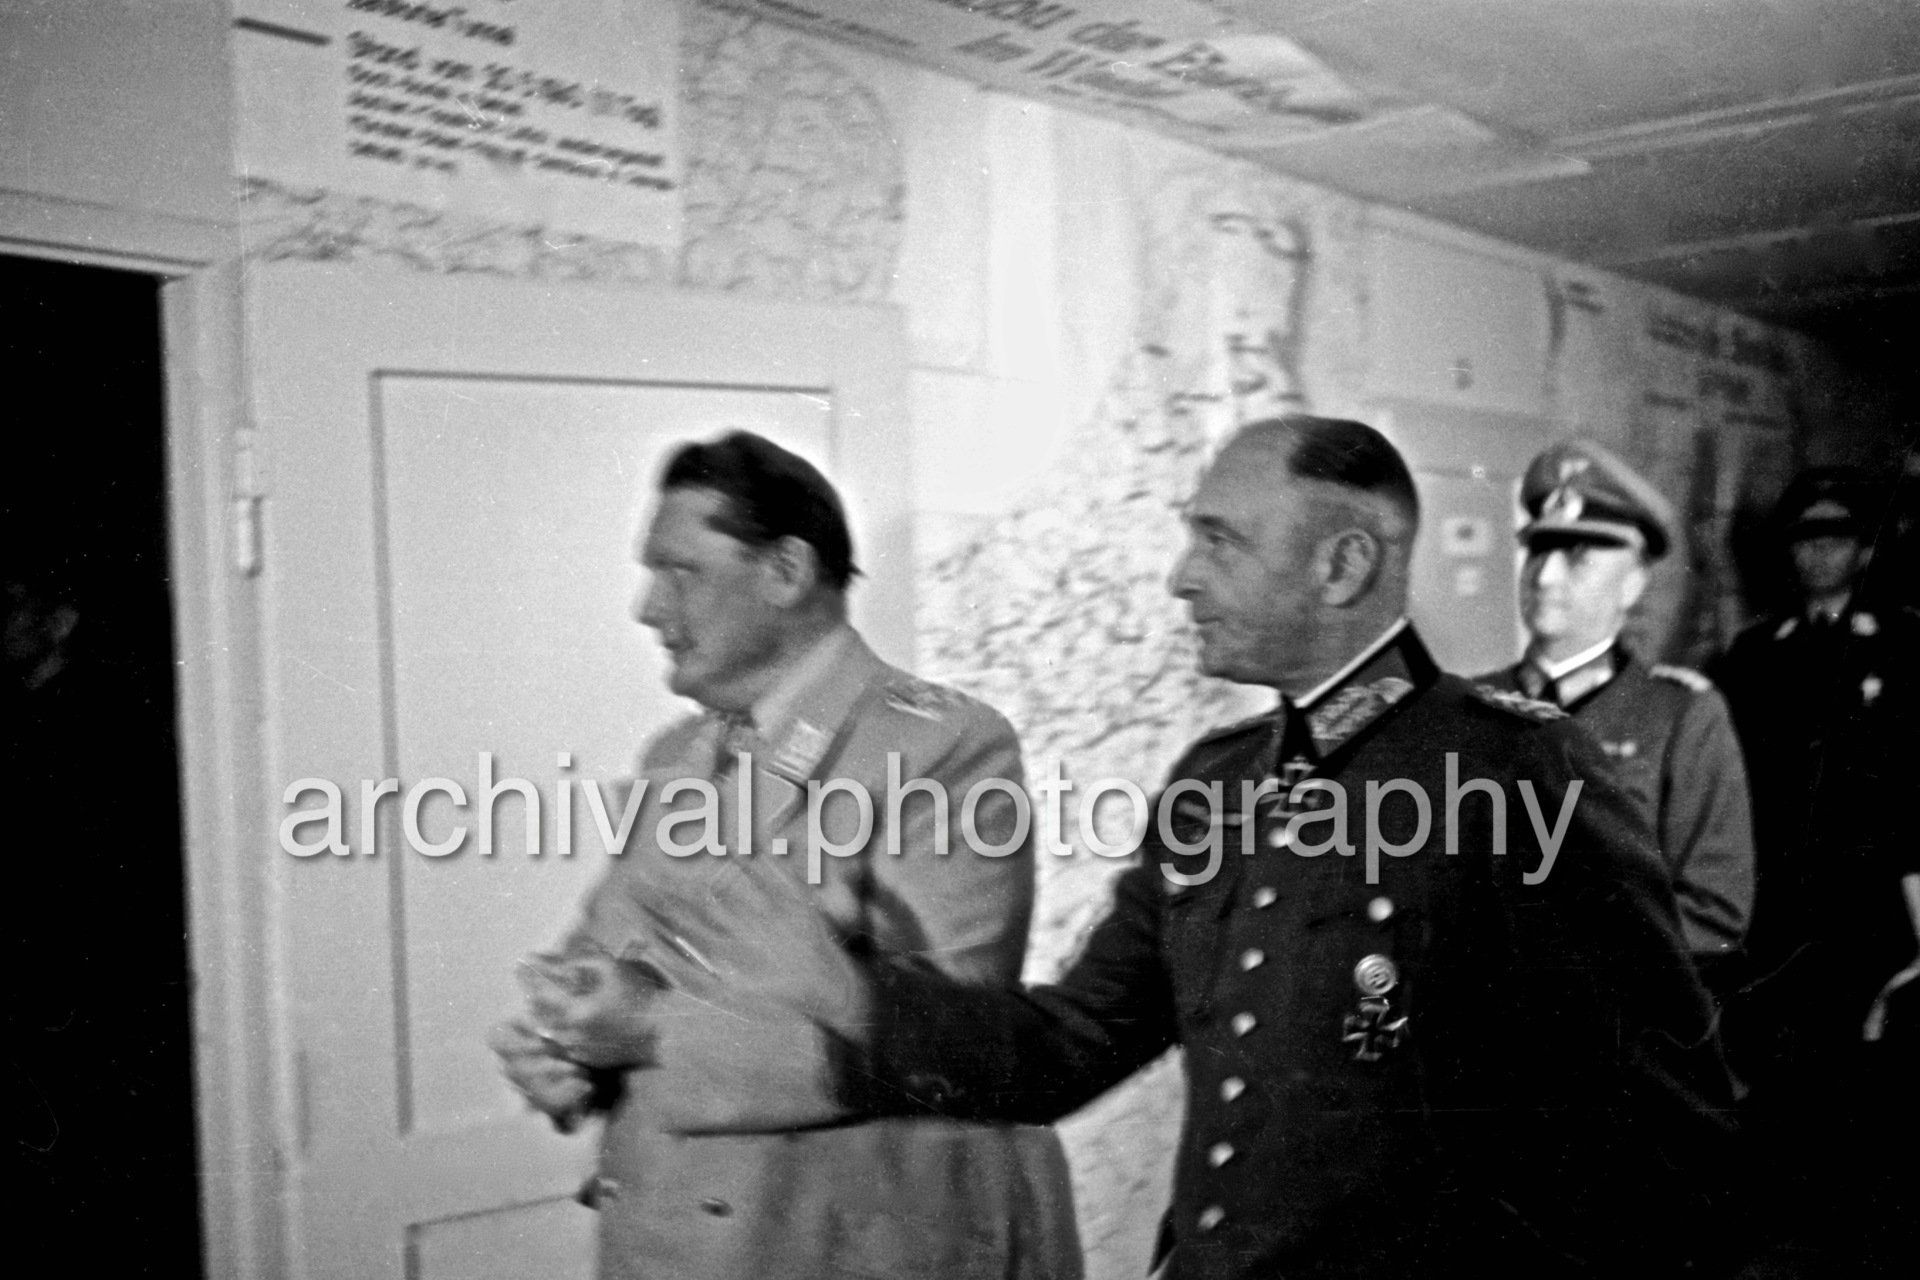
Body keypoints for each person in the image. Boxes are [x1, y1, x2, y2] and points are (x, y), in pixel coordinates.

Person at [668, 417, 1739, 1278]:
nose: (1182, 577)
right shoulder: (1215, 785)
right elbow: (1076, 1039)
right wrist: (859, 1000)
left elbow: (1670, 1137)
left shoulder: (1513, 771)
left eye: (1220, 541)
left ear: (1342, 565)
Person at [490, 431, 1080, 1280]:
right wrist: (570, 1047)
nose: (648, 607)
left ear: (787, 570)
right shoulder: (676, 756)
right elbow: (609, 953)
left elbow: (945, 1053)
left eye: (681, 571)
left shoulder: (942, 746)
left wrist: (649, 1032)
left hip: (840, 1248)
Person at [1711, 467, 1918, 1271]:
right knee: (1777, 1070)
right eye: (1805, 538)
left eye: (1836, 538)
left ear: (1864, 549)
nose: (1818, 554)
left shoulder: (1905, 646)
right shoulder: (1755, 654)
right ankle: (1782, 1235)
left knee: (1861, 1080)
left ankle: (1857, 1235)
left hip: (1869, 908)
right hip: (1778, 906)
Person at [1479, 439, 1753, 989]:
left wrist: (1552, 951)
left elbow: (1715, 914)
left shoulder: (1682, 717)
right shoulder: (1472, 706)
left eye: (1578, 556)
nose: (1545, 576)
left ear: (1632, 583)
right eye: (1539, 550)